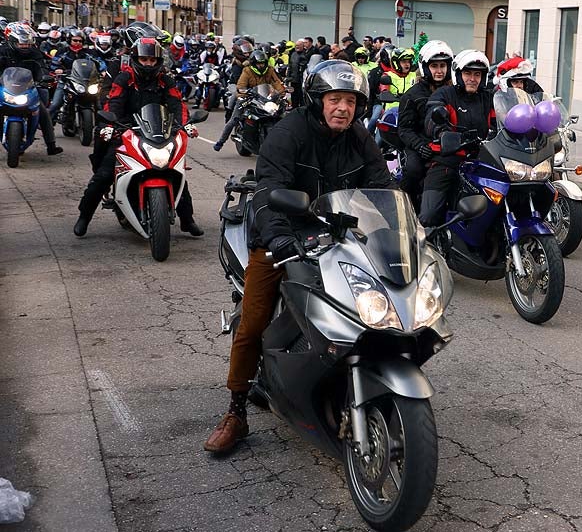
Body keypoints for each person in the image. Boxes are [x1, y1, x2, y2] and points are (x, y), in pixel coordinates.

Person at [203, 60, 394, 453]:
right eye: (335, 99)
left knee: (377, 303)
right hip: (283, 235)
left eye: (351, 101)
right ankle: (236, 411)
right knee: (254, 320)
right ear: (317, 100)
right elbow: (269, 189)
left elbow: (382, 188)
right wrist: (279, 239)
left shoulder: (360, 137)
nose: (343, 108)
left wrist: (396, 231)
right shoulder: (288, 132)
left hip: (338, 234)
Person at [73, 38, 202, 237]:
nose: (148, 63)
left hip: (158, 132)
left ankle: (187, 219)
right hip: (125, 130)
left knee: (175, 171)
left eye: (152, 59)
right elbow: (113, 102)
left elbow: (177, 103)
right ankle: (84, 217)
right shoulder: (125, 78)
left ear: (158, 60)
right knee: (104, 176)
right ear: (135, 59)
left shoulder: (164, 79)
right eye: (144, 59)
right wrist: (110, 125)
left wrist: (185, 125)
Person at [418, 49, 495, 227]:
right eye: (468, 73)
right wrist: (443, 132)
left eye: (478, 74)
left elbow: (501, 119)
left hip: (481, 160)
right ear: (458, 74)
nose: (472, 78)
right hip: (448, 159)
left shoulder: (488, 98)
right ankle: (425, 244)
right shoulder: (444, 94)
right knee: (429, 216)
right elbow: (432, 118)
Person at [398, 41, 453, 204]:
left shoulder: (454, 91)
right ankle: (405, 206)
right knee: (413, 170)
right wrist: (420, 146)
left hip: (448, 145)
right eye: (434, 66)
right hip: (421, 145)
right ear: (425, 67)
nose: (439, 70)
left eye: (443, 65)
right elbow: (404, 129)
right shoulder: (412, 95)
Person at [0, 22, 63, 155]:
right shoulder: (3, 51)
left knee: (43, 111)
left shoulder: (34, 52)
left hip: (29, 89)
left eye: (27, 42)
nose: (25, 46)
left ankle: (51, 145)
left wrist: (45, 77)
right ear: (11, 40)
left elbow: (42, 67)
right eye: (21, 43)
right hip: (5, 88)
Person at [214, 49, 285, 151]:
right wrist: (244, 92)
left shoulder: (270, 70)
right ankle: (221, 141)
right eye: (259, 64)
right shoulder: (247, 71)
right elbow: (241, 85)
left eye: (263, 63)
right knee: (234, 120)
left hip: (265, 98)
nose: (261, 66)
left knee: (280, 114)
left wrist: (282, 93)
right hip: (248, 97)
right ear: (253, 63)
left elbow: (276, 82)